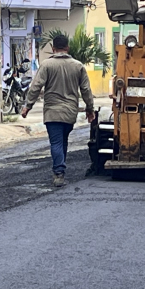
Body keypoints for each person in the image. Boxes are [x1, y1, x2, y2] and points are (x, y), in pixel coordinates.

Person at [21, 34, 96, 187]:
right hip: (70, 112)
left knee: (56, 142)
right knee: (63, 141)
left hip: (52, 111)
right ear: (67, 48)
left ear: (53, 49)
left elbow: (35, 87)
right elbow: (86, 90)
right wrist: (90, 109)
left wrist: (28, 105)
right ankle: (60, 167)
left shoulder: (47, 65)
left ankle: (59, 172)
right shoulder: (78, 66)